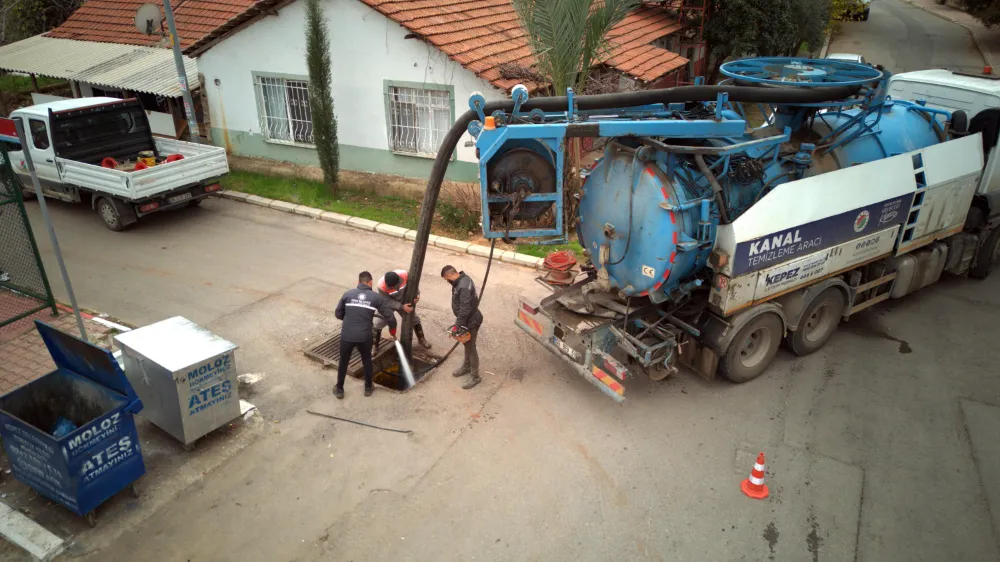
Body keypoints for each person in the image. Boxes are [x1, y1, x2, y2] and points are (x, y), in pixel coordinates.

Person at [334, 271, 413, 398]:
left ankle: (339, 389)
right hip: (365, 336)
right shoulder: (376, 297)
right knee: (366, 360)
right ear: (370, 283)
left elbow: (338, 314)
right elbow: (390, 317)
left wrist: (351, 318)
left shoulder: (347, 294)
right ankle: (368, 388)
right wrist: (392, 330)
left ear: (358, 282)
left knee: (344, 361)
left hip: (347, 336)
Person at [441, 265, 484, 390]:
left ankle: (475, 377)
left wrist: (457, 326)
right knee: (467, 344)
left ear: (449, 276)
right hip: (468, 319)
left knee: (471, 348)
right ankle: (466, 366)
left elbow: (465, 309)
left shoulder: (463, 286)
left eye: (446, 279)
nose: (447, 282)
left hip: (471, 321)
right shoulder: (463, 278)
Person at [374, 269, 432, 350]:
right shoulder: (381, 286)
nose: (393, 288)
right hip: (388, 303)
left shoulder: (405, 275)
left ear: (398, 280)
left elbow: (413, 285)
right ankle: (374, 346)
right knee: (378, 323)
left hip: (403, 300)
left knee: (414, 319)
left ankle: (421, 339)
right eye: (391, 287)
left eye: (395, 286)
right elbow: (386, 301)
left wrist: (417, 295)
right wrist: (401, 307)